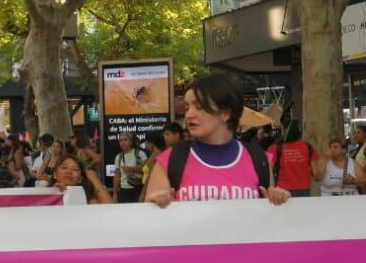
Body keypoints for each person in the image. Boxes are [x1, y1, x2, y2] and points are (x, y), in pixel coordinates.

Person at [143, 73, 289, 206]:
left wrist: (279, 200)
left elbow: (269, 220)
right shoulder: (169, 160)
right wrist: (155, 202)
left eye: (199, 107)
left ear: (225, 113)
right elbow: (150, 218)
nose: (189, 115)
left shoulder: (259, 159)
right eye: (187, 107)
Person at [272, 125, 317, 197]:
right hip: (303, 189)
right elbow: (315, 173)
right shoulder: (309, 147)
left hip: (282, 190)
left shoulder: (275, 148)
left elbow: (267, 170)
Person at [112, 133, 146, 203]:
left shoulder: (140, 154)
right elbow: (117, 176)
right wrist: (115, 194)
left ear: (131, 142)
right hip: (123, 191)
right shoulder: (118, 157)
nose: (123, 142)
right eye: (120, 140)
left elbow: (146, 171)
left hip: (138, 189)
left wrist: (131, 169)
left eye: (125, 140)